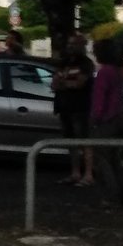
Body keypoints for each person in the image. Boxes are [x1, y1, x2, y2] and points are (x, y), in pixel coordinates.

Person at [52, 33, 95, 188]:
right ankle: (75, 172)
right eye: (69, 43)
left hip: (81, 108)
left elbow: (79, 84)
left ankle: (88, 174)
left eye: (74, 44)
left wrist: (64, 83)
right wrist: (65, 83)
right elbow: (54, 83)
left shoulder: (86, 63)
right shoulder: (63, 63)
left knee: (84, 140)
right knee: (71, 142)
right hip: (64, 107)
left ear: (81, 46)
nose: (70, 46)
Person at [89, 37, 123, 204]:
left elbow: (99, 100)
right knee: (114, 159)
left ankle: (109, 196)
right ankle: (121, 193)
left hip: (106, 120)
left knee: (102, 160)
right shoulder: (117, 71)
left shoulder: (104, 73)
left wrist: (95, 119)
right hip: (118, 117)